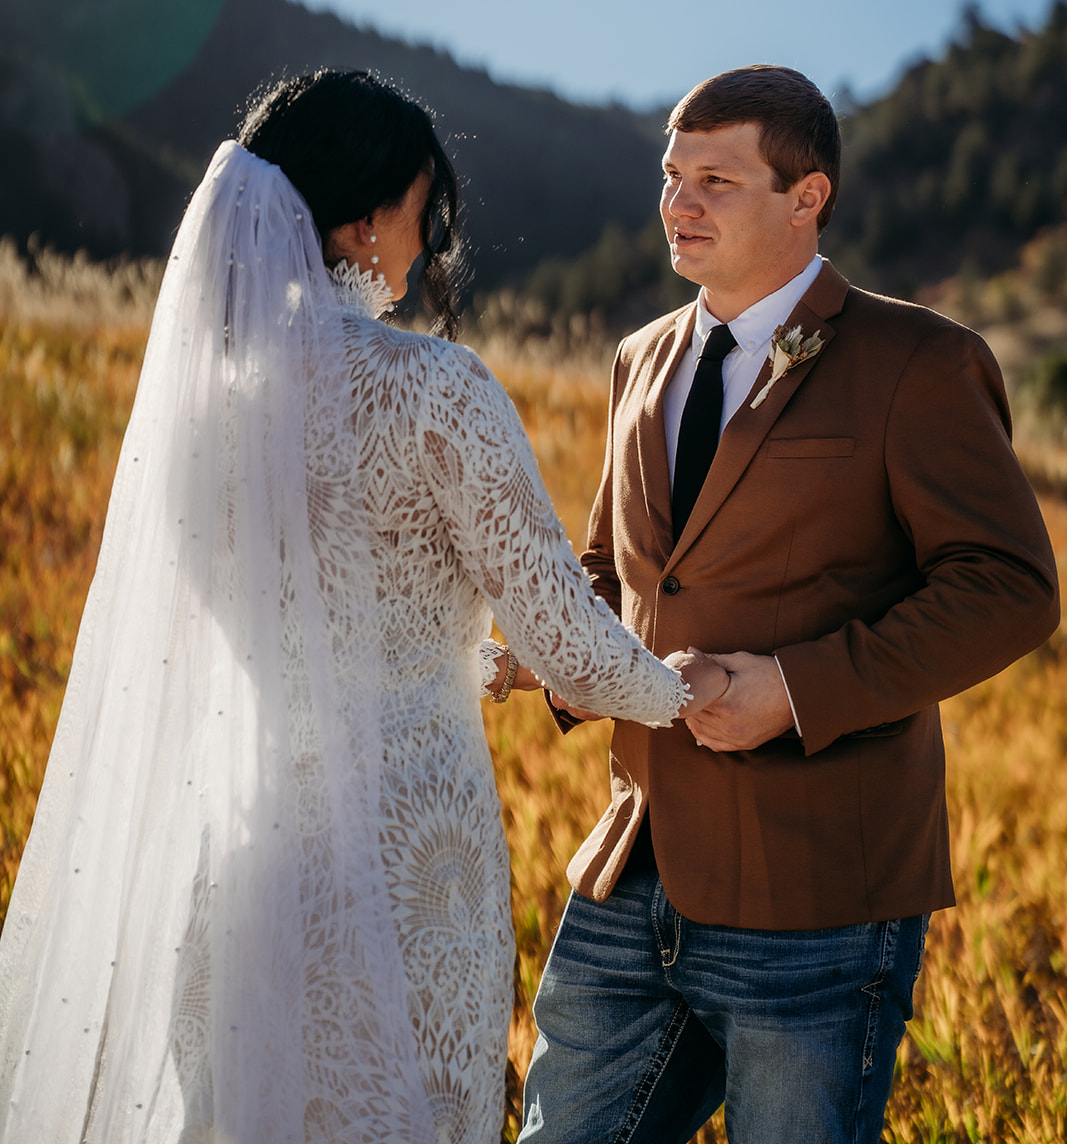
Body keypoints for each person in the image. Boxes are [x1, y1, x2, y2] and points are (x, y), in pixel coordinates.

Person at [0, 69, 729, 1144]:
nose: (428, 240)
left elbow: (310, 621)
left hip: (243, 850)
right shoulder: (434, 388)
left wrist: (471, 660)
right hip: (402, 861)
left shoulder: (205, 417)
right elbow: (568, 646)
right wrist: (684, 690)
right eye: (419, 210)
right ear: (361, 219)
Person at [520, 64, 1060, 1144]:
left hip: (817, 902)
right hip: (629, 872)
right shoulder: (638, 359)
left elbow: (1008, 587)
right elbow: (616, 570)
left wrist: (791, 688)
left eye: (715, 180)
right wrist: (553, 650)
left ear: (804, 196)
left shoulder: (920, 359)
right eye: (672, 175)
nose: (678, 202)